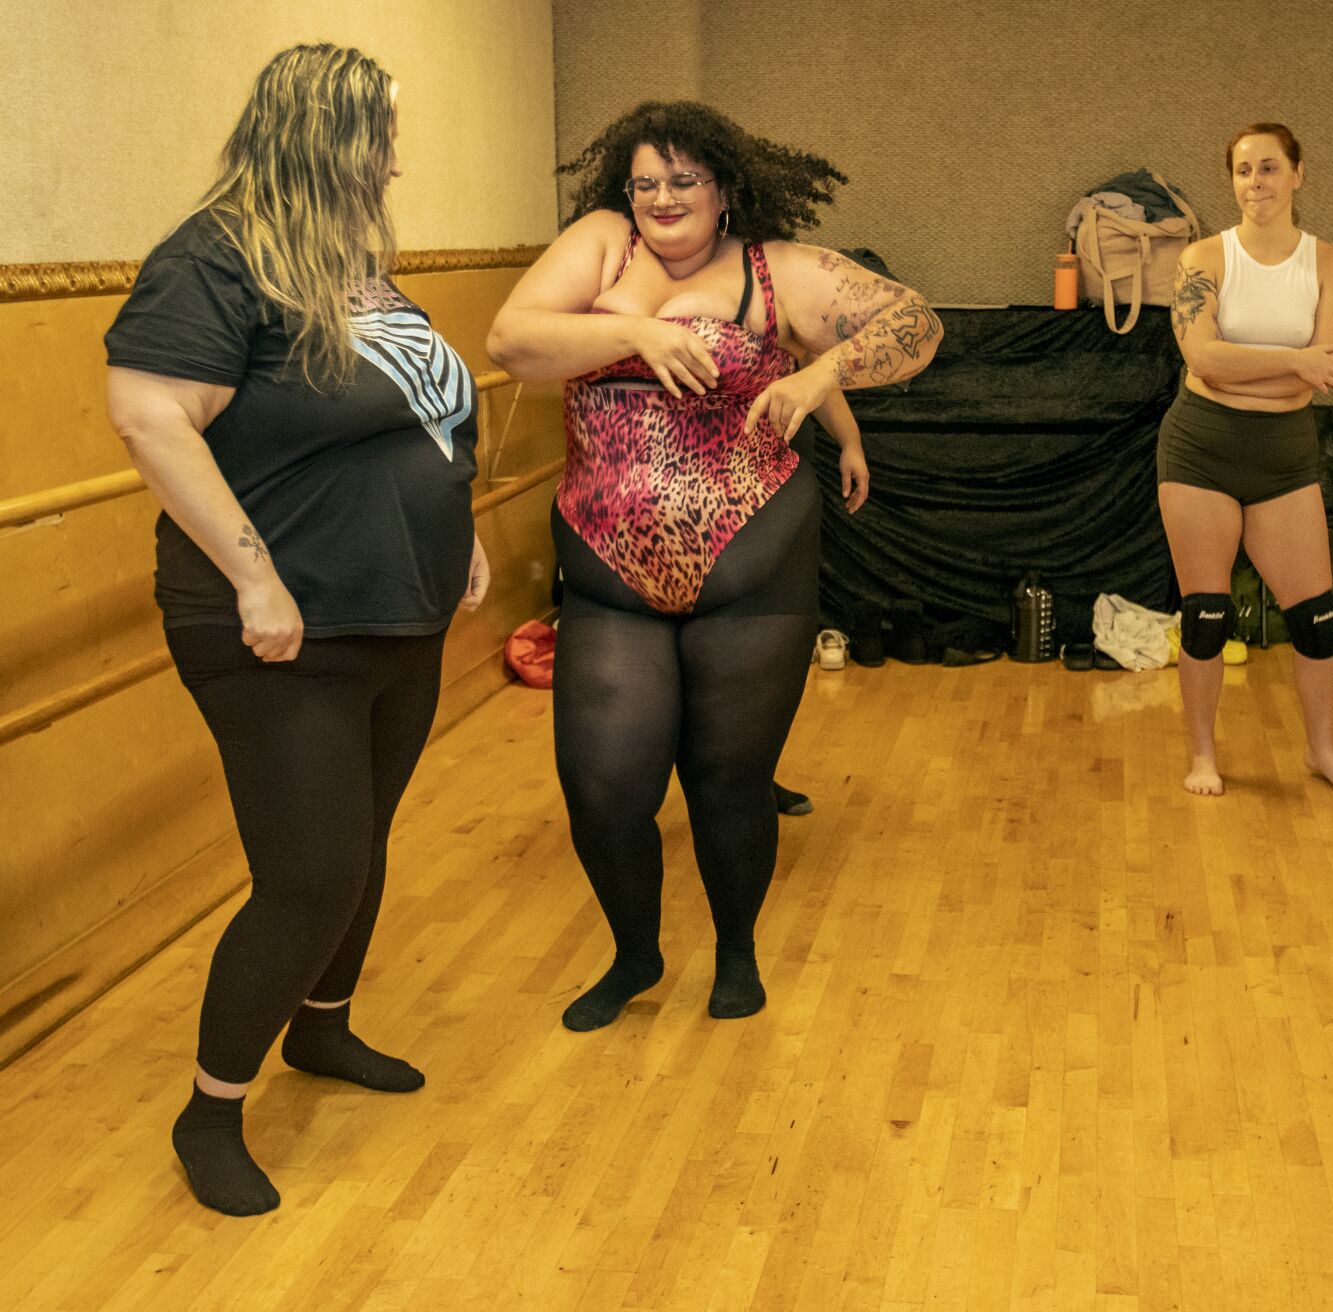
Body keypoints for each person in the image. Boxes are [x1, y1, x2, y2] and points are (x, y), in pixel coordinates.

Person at [103, 45, 485, 1216]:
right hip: (277, 629)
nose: (397, 159)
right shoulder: (213, 261)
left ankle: (322, 1029)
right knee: (310, 872)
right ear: (322, 138)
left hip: (393, 613)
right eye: (380, 136)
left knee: (360, 846)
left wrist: (456, 526)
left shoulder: (348, 263)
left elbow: (413, 409)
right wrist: (257, 577)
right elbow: (150, 415)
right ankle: (210, 1109)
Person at [487, 101, 938, 1029]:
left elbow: (916, 323)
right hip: (610, 576)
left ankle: (736, 952)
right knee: (603, 785)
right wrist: (635, 334)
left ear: (725, 190)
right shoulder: (603, 247)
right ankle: (636, 956)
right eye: (646, 181)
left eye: (684, 180)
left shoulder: (777, 274)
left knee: (728, 782)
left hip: (752, 574)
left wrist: (823, 378)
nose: (661, 197)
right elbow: (511, 340)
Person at [1160, 122, 1333, 799]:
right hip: (1201, 449)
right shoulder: (1202, 259)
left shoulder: (1332, 263)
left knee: (1317, 618)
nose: (1257, 183)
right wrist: (1292, 360)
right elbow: (1201, 359)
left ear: (1298, 174)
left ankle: (1321, 751)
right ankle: (1201, 756)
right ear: (1233, 182)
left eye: (1270, 168)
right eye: (1245, 171)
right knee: (1207, 614)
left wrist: (1267, 369)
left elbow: (1322, 374)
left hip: (1284, 456)